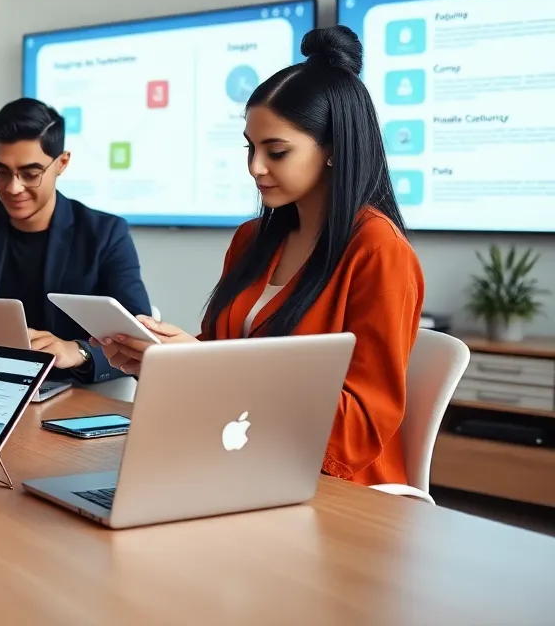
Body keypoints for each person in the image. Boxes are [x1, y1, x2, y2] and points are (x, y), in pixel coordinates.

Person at [96, 26, 424, 488]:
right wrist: (168, 359)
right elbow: (227, 357)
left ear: (333, 151)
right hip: (237, 461)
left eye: (277, 151)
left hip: (327, 488)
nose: (255, 166)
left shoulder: (379, 252)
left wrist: (207, 366)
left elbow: (359, 427)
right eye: (250, 148)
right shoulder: (253, 239)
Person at [0, 98, 151, 384]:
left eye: (30, 174)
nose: (13, 188)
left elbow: (139, 342)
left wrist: (79, 351)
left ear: (61, 163)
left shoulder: (104, 234)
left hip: (68, 390)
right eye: (1, 171)